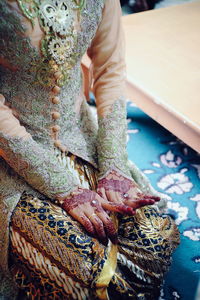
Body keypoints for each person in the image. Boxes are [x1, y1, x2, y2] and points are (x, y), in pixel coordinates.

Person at [0, 0, 179, 299]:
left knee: (154, 241)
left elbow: (110, 68)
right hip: (13, 154)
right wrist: (65, 189)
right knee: (91, 276)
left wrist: (113, 166)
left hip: (81, 137)